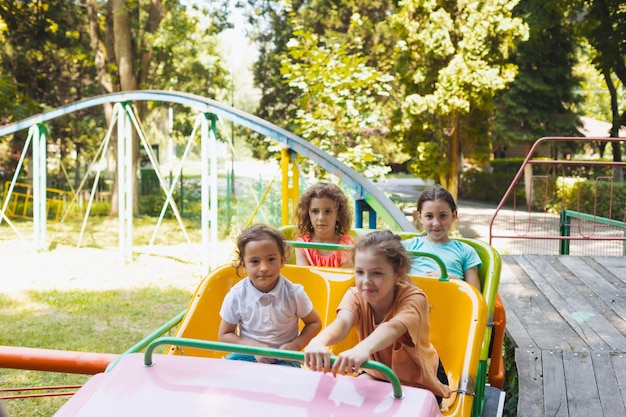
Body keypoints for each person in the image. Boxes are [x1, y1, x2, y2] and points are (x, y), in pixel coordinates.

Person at [304, 230, 451, 404]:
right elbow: (342, 323)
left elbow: (393, 328)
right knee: (345, 402)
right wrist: (318, 342)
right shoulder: (356, 295)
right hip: (379, 373)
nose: (366, 281)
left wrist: (362, 349)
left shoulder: (414, 298)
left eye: (377, 273)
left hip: (420, 379)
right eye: (360, 272)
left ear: (397, 274)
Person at [218, 224, 323, 367]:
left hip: (284, 358)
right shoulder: (236, 295)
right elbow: (224, 335)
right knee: (228, 371)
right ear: (243, 265)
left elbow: (314, 323)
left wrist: (296, 344)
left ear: (281, 261)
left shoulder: (293, 293)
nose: (264, 268)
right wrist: (253, 348)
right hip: (246, 354)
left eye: (271, 259)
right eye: (255, 261)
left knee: (287, 382)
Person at [403, 185, 482, 291]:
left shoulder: (466, 251)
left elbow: (475, 295)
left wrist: (453, 280)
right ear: (420, 217)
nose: (436, 223)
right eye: (429, 216)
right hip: (412, 304)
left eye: (443, 216)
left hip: (450, 304)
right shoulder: (406, 247)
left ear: (453, 216)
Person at [294, 182, 355, 267]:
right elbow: (304, 276)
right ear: (308, 214)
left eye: (328, 211)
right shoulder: (303, 244)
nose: (321, 217)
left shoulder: (347, 246)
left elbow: (343, 278)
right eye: (315, 211)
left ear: (338, 215)